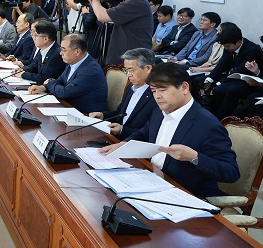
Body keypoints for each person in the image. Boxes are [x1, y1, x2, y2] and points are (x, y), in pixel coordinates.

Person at [100, 62, 239, 198]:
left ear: (184, 87)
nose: (157, 96)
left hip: (183, 193)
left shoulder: (208, 125)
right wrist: (125, 144)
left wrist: (195, 157)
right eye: (154, 91)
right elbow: (144, 132)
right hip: (149, 179)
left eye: (162, 90)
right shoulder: (159, 111)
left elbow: (231, 172)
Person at [86, 0, 153, 65]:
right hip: (128, 58)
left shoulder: (135, 3)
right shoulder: (135, 2)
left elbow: (102, 17)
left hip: (133, 61)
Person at [28, 34, 108, 114]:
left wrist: (50, 82)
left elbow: (64, 92)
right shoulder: (73, 62)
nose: (60, 53)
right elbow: (60, 81)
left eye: (64, 50)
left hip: (87, 115)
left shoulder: (90, 70)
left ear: (77, 51)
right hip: (69, 109)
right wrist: (43, 87)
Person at [89, 48, 158, 139]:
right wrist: (103, 115)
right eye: (126, 70)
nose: (128, 75)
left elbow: (150, 132)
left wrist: (122, 130)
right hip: (115, 139)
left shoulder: (157, 95)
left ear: (148, 68)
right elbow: (120, 113)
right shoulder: (131, 88)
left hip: (132, 144)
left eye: (131, 70)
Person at [202, 22, 263, 119]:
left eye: (228, 47)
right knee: (202, 82)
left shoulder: (251, 49)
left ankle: (223, 119)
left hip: (250, 80)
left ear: (238, 42)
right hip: (233, 77)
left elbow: (240, 70)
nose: (226, 49)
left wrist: (218, 83)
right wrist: (209, 79)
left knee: (226, 89)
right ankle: (210, 115)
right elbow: (222, 64)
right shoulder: (228, 45)